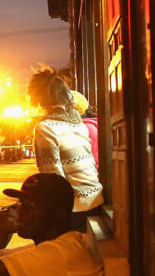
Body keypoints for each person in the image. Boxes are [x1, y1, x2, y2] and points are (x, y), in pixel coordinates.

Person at [27, 65, 103, 228]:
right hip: (95, 199)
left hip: (74, 207)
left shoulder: (46, 127)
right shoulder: (79, 124)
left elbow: (53, 177)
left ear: (38, 99)